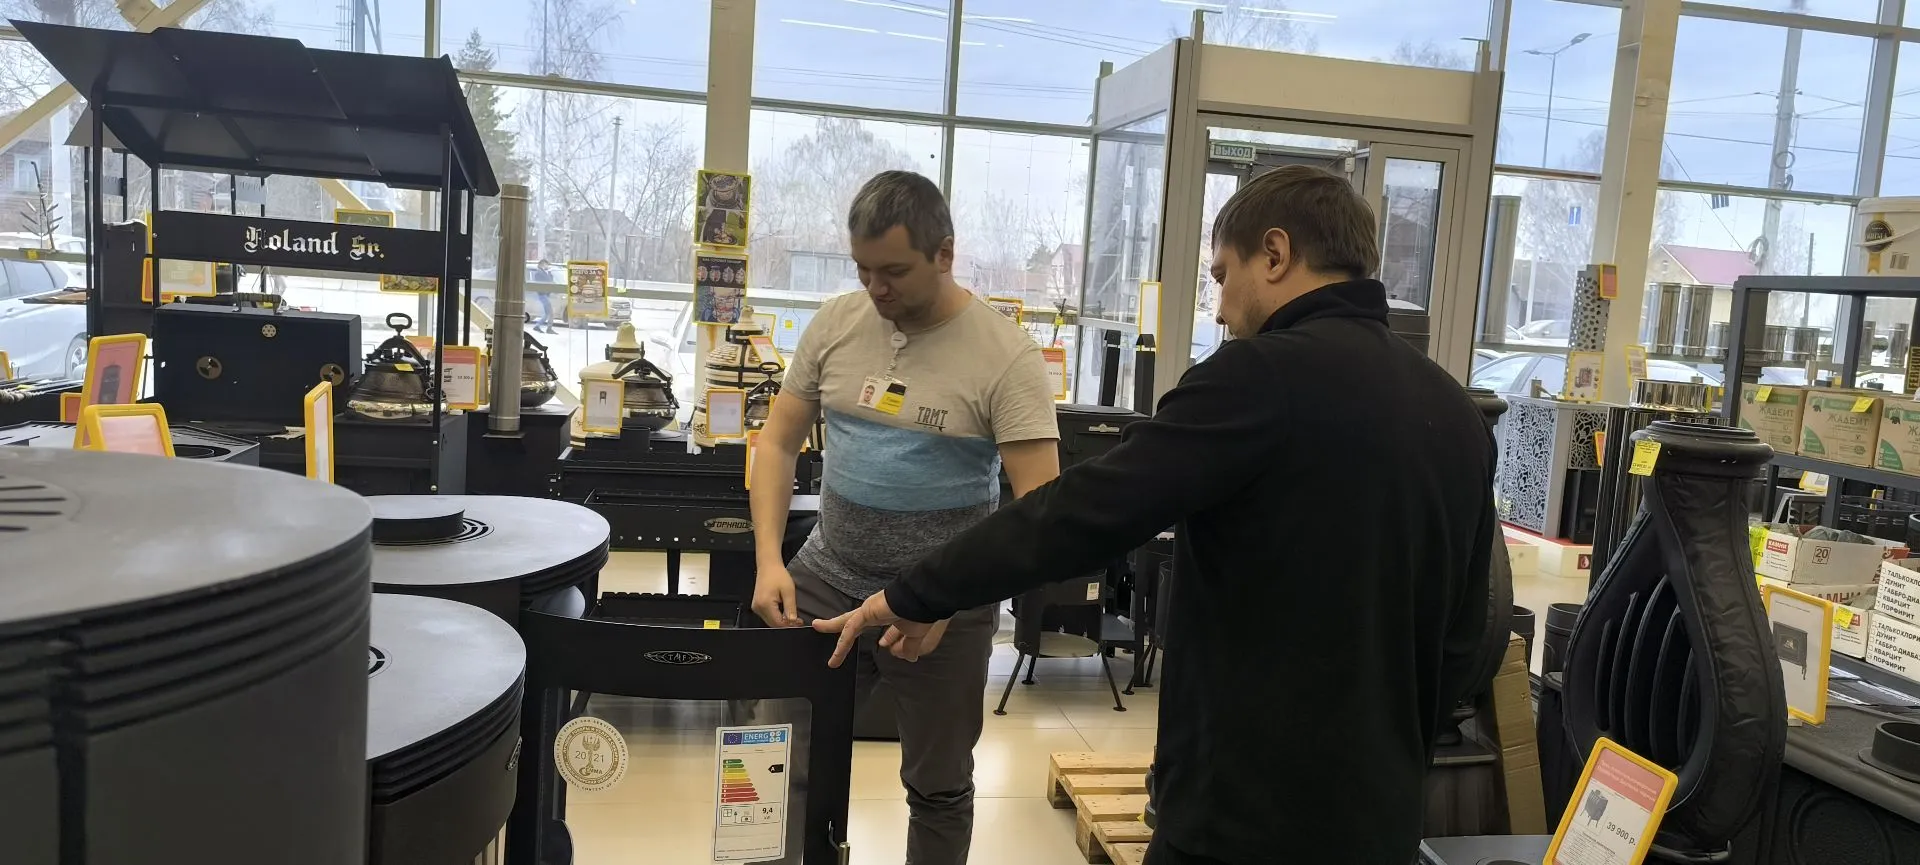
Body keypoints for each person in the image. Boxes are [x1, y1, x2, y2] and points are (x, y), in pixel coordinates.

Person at [814, 165, 1497, 865]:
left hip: (1238, 819)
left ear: (1275, 253)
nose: (1221, 310)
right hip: (1381, 822)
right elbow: (1470, 642)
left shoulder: (1254, 378)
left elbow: (1079, 514)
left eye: (1222, 276)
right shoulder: (1458, 414)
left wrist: (917, 591)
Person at [749, 170, 1062, 865]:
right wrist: (770, 560)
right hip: (827, 578)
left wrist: (949, 596)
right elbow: (777, 442)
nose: (876, 288)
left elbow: (1042, 509)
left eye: (894, 271)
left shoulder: (1006, 356)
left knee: (939, 786)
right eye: (863, 270)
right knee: (777, 761)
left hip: (946, 603)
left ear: (944, 254)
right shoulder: (836, 323)